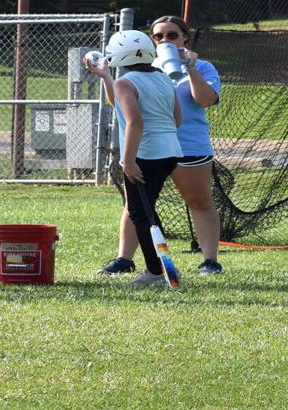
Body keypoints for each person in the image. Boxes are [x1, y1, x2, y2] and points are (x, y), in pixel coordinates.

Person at [95, 16, 224, 277]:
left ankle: (209, 260)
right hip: (152, 149)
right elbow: (121, 103)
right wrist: (106, 76)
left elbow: (206, 100)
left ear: (185, 38)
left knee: (199, 201)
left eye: (172, 35)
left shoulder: (203, 66)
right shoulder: (144, 68)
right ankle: (125, 258)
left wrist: (191, 68)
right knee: (137, 206)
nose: (165, 41)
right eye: (158, 36)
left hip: (189, 146)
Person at [85, 29, 183, 288]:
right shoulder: (161, 77)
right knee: (146, 210)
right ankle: (164, 267)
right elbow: (177, 118)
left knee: (140, 213)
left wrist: (128, 161)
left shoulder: (126, 82)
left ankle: (155, 272)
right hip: (169, 151)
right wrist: (105, 75)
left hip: (145, 155)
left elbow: (135, 123)